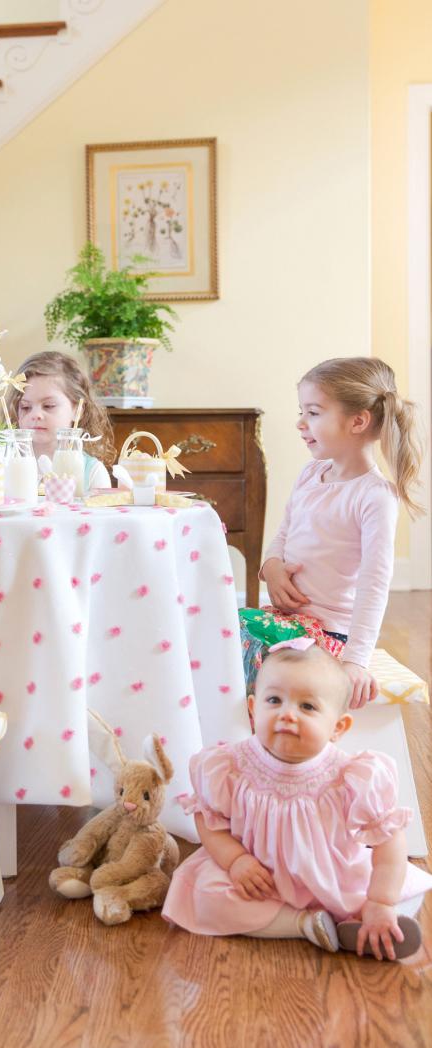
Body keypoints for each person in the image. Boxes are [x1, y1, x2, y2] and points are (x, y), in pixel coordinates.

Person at [163, 640, 432, 960]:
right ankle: (304, 924)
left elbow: (389, 842)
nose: (287, 714)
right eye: (274, 700)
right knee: (204, 894)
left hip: (331, 877)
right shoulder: (229, 767)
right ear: (253, 709)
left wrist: (381, 901)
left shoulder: (352, 776)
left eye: (307, 707)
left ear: (338, 727)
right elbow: (210, 823)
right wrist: (236, 861)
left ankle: (371, 920)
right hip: (260, 878)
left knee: (392, 892)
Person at [241, 356, 424, 709]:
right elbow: (283, 533)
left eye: (312, 412)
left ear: (358, 421)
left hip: (328, 633)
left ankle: (275, 747)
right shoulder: (311, 475)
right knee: (224, 636)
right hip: (287, 621)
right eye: (302, 412)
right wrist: (272, 565)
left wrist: (356, 660)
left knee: (264, 668)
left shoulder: (373, 496)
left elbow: (374, 584)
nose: (300, 423)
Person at [5, 351, 115, 489]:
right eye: (26, 407)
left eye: (48, 406)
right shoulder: (3, 466)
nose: (36, 414)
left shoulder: (93, 473)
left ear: (78, 410)